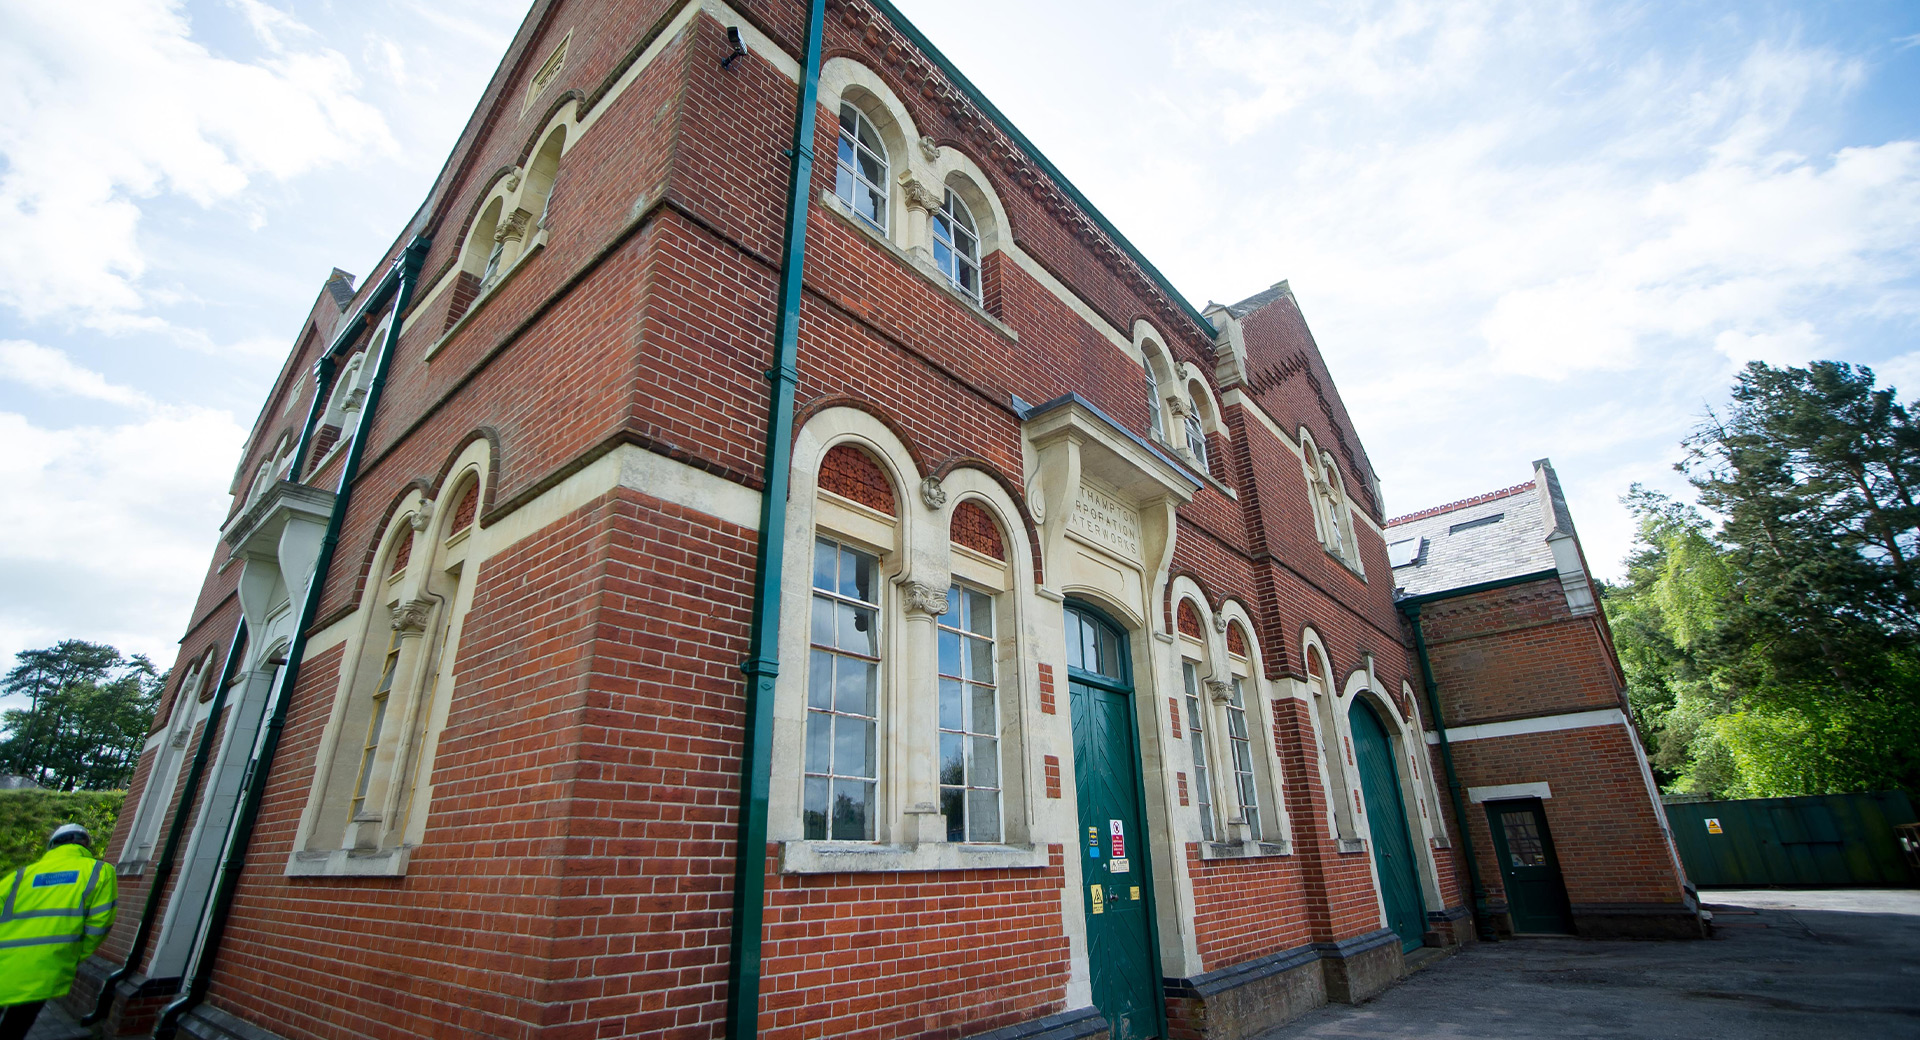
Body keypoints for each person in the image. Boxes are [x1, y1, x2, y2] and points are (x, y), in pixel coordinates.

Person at [0, 823, 118, 1040]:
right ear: (85, 844)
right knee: (14, 1027)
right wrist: (71, 954)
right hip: (44, 967)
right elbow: (99, 925)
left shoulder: (21, 875)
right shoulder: (99, 871)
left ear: (52, 844)